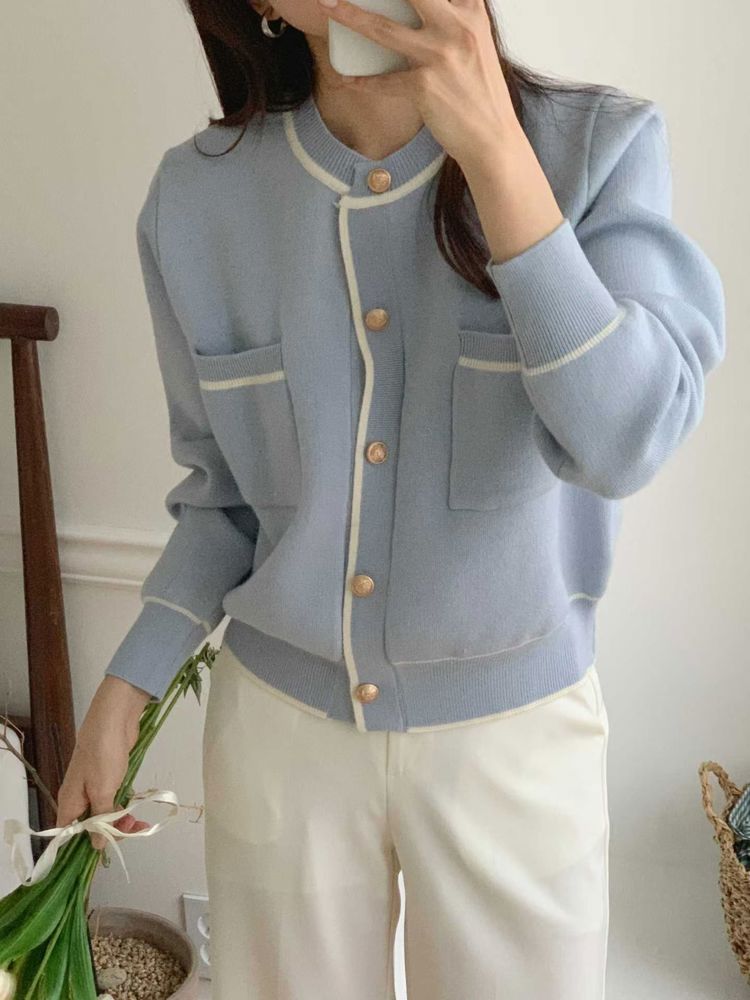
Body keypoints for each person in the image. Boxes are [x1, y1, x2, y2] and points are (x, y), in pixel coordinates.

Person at [56, 0, 726, 995]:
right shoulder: (197, 199)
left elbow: (626, 438)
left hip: (514, 744)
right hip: (279, 742)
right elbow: (222, 502)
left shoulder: (597, 148)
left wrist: (494, 149)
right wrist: (125, 688)